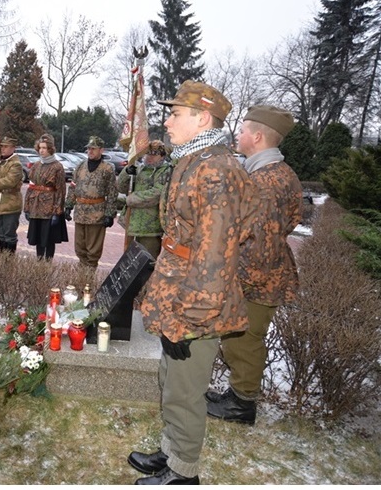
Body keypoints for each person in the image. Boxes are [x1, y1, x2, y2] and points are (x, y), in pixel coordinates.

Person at [128, 80, 257, 484]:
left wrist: (191, 320)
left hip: (197, 304)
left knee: (185, 390)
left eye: (175, 114)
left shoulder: (216, 169)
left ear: (202, 119)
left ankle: (184, 473)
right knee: (171, 380)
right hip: (181, 291)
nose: (167, 122)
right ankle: (172, 451)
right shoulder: (194, 160)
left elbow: (215, 253)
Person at [206, 105, 302, 425]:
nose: (238, 134)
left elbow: (260, 244)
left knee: (243, 341)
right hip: (261, 274)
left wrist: (236, 284)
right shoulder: (272, 173)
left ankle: (242, 405)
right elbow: (288, 222)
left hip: (256, 279)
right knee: (240, 340)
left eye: (243, 129)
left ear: (258, 136)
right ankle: (237, 394)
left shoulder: (267, 181)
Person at [64, 136, 118, 268]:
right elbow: (73, 187)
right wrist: (68, 206)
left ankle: (89, 275)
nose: (90, 151)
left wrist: (110, 214)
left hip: (97, 213)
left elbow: (112, 192)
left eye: (93, 149)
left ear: (101, 150)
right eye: (88, 148)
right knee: (80, 247)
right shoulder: (80, 166)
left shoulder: (107, 168)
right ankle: (81, 274)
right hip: (80, 212)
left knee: (93, 250)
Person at [116, 140, 173, 259]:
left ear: (162, 156)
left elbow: (157, 194)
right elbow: (121, 187)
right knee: (128, 260)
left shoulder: (165, 171)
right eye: (148, 153)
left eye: (154, 154)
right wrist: (126, 172)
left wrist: (130, 199)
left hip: (150, 227)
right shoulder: (140, 169)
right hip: (132, 223)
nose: (149, 157)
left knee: (146, 261)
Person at [23, 134, 68, 260]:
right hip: (36, 206)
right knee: (37, 238)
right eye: (40, 148)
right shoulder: (36, 165)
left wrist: (57, 211)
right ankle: (39, 261)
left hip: (49, 207)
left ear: (50, 149)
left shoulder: (57, 166)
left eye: (44, 148)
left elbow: (61, 190)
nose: (41, 150)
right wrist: (27, 207)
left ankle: (48, 262)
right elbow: (30, 187)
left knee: (48, 238)